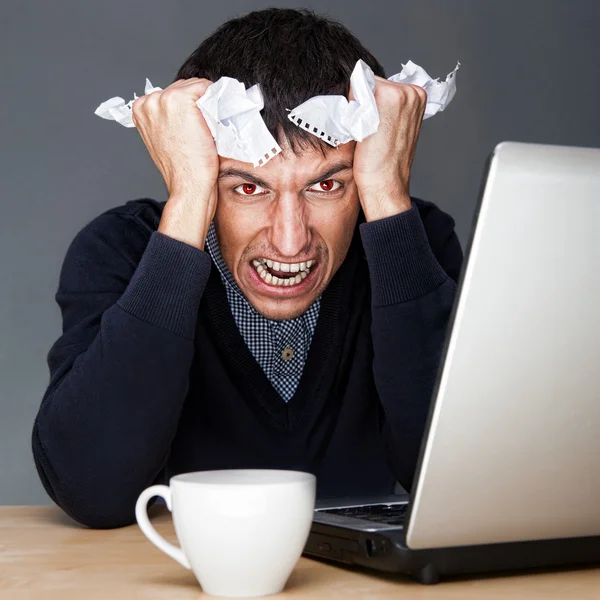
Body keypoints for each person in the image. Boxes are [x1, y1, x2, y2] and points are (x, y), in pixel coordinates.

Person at [32, 7, 463, 529]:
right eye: (247, 187)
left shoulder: (414, 247)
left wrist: (390, 201)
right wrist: (188, 198)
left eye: (327, 185)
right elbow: (91, 489)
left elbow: (457, 483)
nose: (290, 240)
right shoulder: (120, 250)